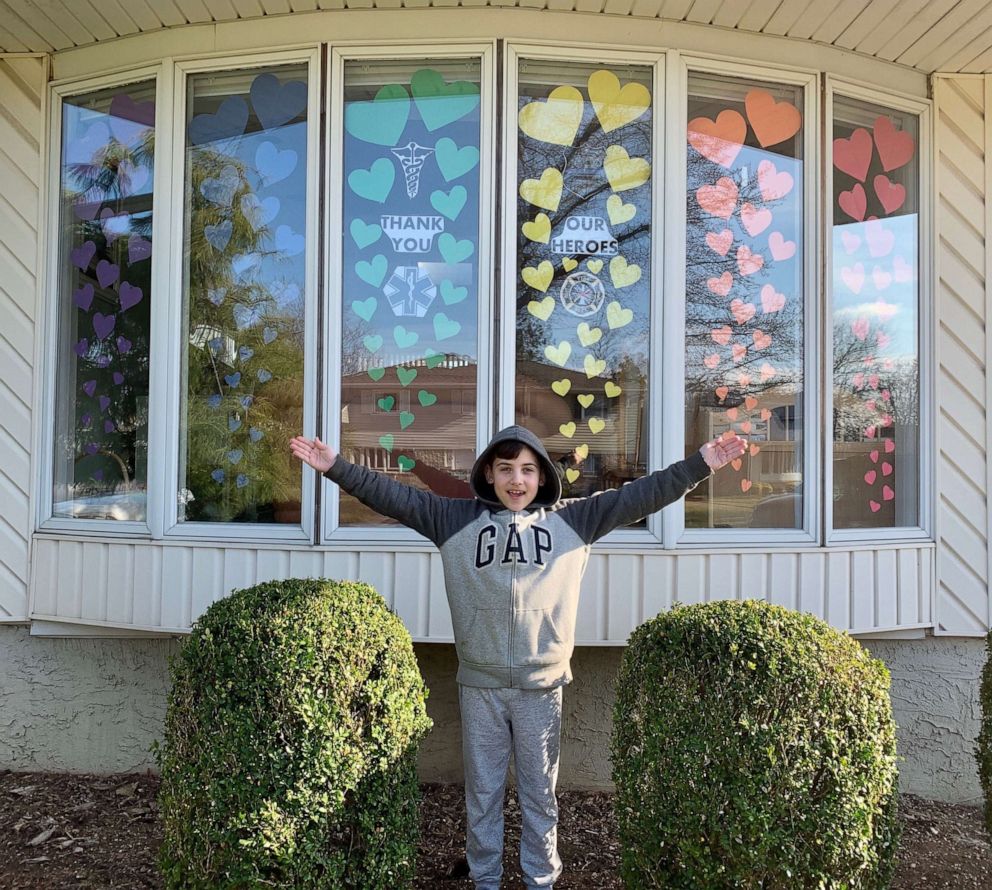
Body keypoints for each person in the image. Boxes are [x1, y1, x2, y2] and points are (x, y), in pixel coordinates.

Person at [289, 425, 746, 889]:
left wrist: (700, 464)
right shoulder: (451, 519)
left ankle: (540, 880)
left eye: (528, 470)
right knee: (482, 795)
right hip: (481, 686)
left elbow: (641, 496)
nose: (516, 481)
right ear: (489, 473)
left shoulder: (573, 520)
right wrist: (336, 468)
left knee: (539, 796)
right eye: (506, 469)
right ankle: (485, 879)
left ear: (542, 477)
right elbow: (390, 494)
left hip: (542, 688)